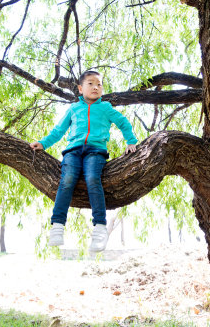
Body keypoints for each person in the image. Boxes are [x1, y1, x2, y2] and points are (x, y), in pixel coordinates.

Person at [30, 70, 137, 252]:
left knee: (92, 179)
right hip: (73, 151)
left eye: (99, 84)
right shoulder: (73, 109)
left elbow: (124, 123)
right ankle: (57, 226)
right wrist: (43, 143)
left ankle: (100, 228)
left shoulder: (106, 108)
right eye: (90, 83)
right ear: (80, 88)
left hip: (96, 151)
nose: (96, 87)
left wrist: (131, 142)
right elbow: (58, 131)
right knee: (68, 179)